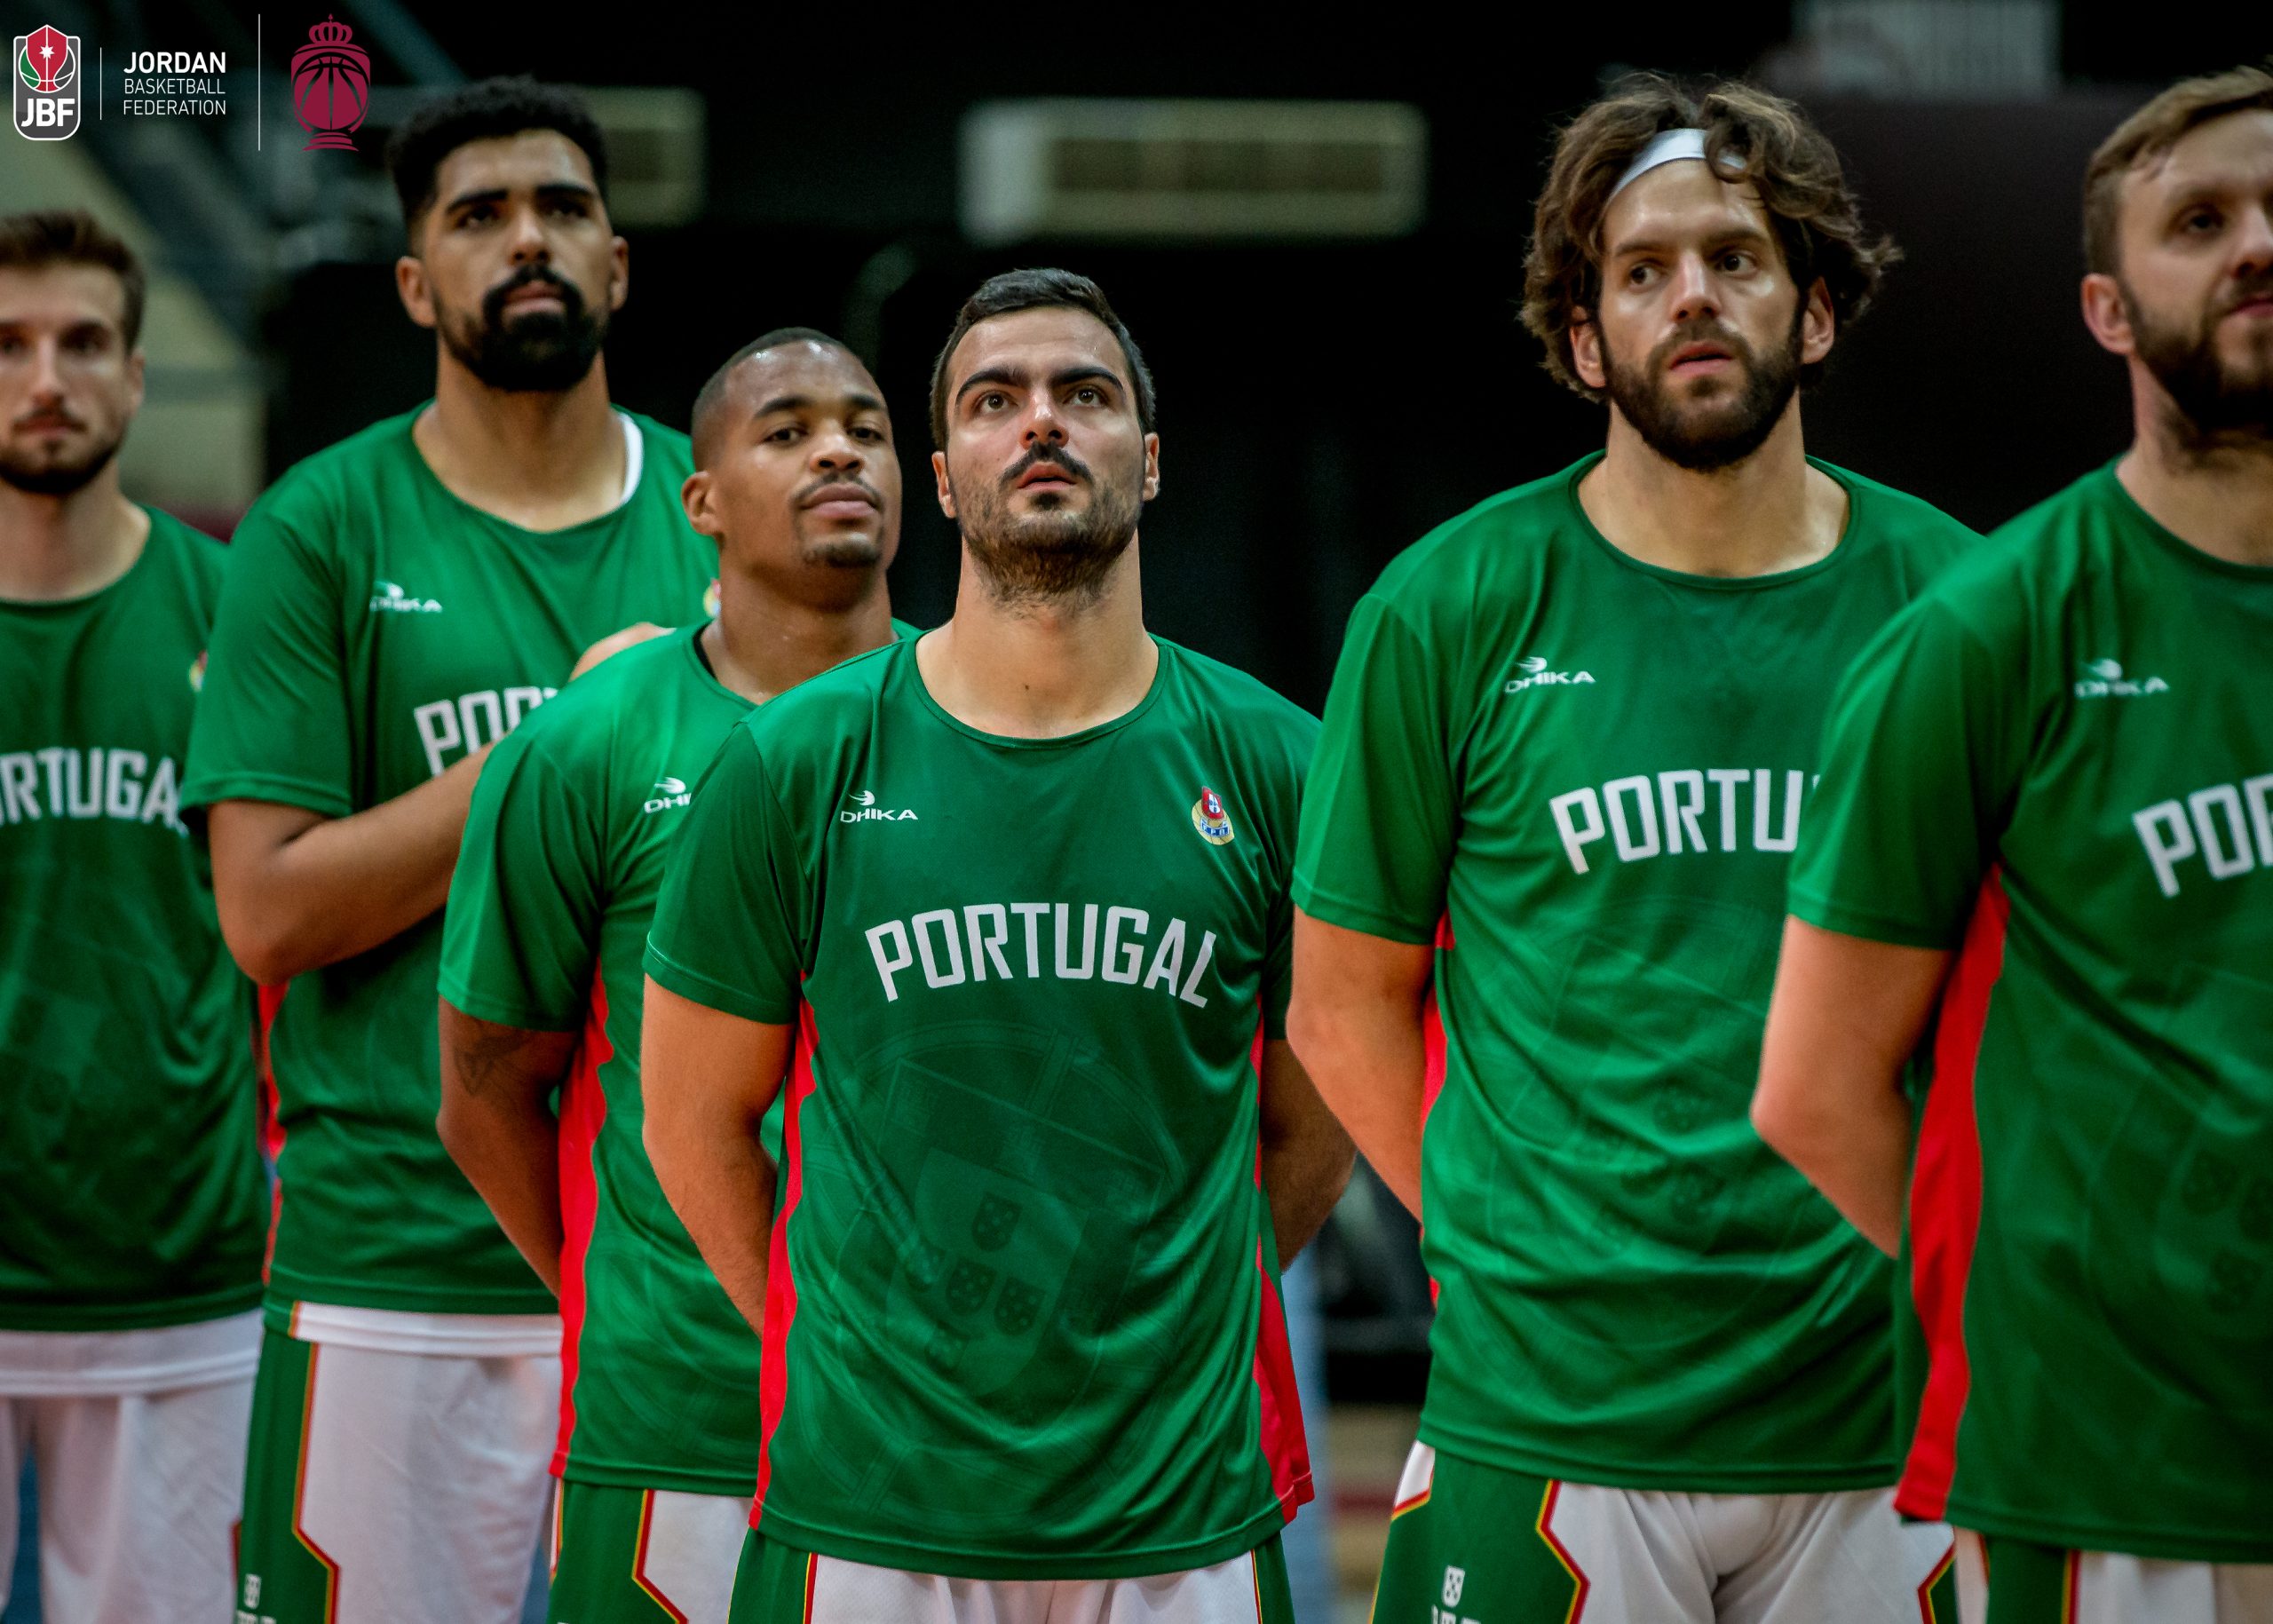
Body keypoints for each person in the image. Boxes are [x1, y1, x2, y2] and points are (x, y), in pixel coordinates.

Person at [1288, 76, 1975, 1622]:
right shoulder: (1449, 605)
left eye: (1737, 257)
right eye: (1645, 268)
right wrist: (1489, 1245)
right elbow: (1338, 1003)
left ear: (1817, 309)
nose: (1694, 298)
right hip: (1553, 1411)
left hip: (1879, 1401)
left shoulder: (1960, 605)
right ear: (1587, 337)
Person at [641, 267, 1352, 1623]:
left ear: (1146, 462)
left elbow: (1328, 1096)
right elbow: (688, 1119)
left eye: (1084, 396)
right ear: (946, 474)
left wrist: (1198, 1301)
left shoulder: (1280, 763)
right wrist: (829, 1340)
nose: (1040, 423)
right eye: (994, 400)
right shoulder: (795, 760)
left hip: (1179, 1507)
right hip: (870, 1505)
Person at [182, 78, 717, 1624]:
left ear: (618, 262)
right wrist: (560, 740)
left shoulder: (721, 517)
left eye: (560, 209)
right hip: (393, 1266)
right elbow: (267, 913)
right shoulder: (318, 528)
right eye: (478, 217)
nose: (526, 240)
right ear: (417, 284)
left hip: (675, 1280)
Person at [1754, 66, 2273, 1624]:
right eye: (2203, 221)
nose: (2257, 243)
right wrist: (2055, 1296)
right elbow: (1817, 1086)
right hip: (2099, 1468)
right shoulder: (1985, 632)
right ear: (2110, 311)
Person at [437, 329, 912, 1624]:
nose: (837, 449)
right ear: (698, 500)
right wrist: (620, 1285)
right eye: (788, 429)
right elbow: (485, 1085)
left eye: (866, 427)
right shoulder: (586, 741)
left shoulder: (989, 715)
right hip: (675, 1422)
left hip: (939, 1429)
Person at [0, 209, 265, 1623]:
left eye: (84, 341)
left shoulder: (235, 614)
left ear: (139, 375)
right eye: (10, 345)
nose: (48, 376)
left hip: (179, 1270)